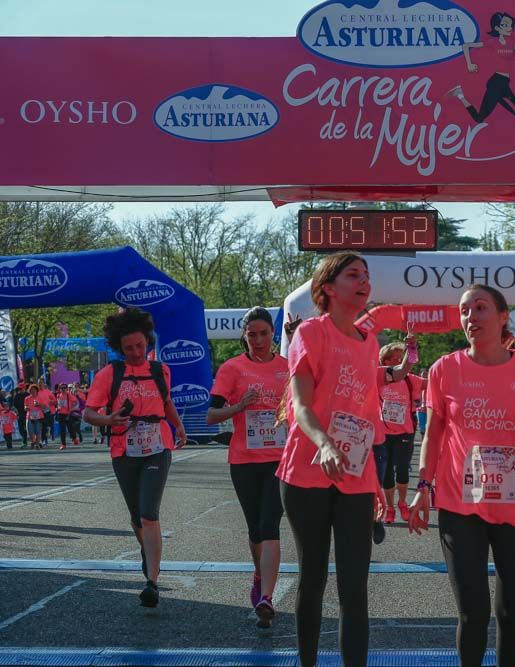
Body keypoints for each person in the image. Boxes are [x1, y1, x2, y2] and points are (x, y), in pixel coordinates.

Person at [408, 285, 515, 667]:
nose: (470, 317)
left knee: (511, 613)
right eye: (464, 310)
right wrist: (423, 486)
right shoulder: (445, 369)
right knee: (472, 614)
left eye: (480, 308)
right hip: (461, 507)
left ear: (502, 316)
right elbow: (434, 434)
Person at [278, 253, 408, 667]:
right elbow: (299, 404)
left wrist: (376, 483)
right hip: (306, 469)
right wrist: (324, 443)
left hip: (354, 474)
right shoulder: (311, 333)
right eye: (353, 274)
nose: (364, 281)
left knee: (355, 586)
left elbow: (367, 417)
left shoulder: (370, 342)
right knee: (313, 578)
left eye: (367, 275)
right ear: (328, 288)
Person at [84, 307, 187, 609]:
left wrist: (178, 426)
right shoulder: (109, 374)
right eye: (128, 348)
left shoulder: (160, 370)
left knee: (148, 512)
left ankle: (151, 582)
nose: (136, 352)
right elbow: (89, 412)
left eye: (140, 345)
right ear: (119, 348)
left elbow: (166, 402)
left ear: (148, 340)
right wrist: (109, 420)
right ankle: (148, 550)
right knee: (136, 516)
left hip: (157, 446)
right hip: (124, 450)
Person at [207, 307, 289, 628]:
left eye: (264, 333)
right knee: (255, 529)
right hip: (244, 460)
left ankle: (267, 596)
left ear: (273, 335)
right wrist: (241, 405)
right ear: (244, 336)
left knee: (270, 525)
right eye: (251, 334)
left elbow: (301, 409)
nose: (258, 340)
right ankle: (259, 575)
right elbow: (212, 416)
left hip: (280, 459)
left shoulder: (287, 368)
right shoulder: (232, 369)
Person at [446, 11, 515, 167]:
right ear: (497, 28)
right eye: (504, 25)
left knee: (480, 118)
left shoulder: (513, 43)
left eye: (510, 25)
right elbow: (466, 46)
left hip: (503, 84)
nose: (509, 28)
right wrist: (469, 64)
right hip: (496, 83)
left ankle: (460, 95)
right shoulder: (492, 42)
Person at [378, 343, 423, 524]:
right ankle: (390, 507)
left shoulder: (411, 379)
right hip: (383, 432)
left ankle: (402, 502)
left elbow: (434, 382)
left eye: (401, 358)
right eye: (395, 359)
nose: (399, 362)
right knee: (387, 472)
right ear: (385, 361)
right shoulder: (379, 377)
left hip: (405, 431)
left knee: (402, 469)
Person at [25, 385, 46, 449]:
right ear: (30, 391)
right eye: (31, 390)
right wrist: (26, 408)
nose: (33, 391)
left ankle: (37, 444)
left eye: (34, 390)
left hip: (38, 417)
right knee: (30, 432)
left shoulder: (40, 398)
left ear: (37, 391)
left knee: (38, 431)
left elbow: (44, 407)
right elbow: (25, 406)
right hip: (30, 417)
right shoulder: (27, 398)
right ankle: (33, 442)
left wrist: (38, 404)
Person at [13, 383, 28, 448]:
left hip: (28, 414)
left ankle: (35, 441)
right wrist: (16, 413)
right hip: (20, 414)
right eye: (19, 389)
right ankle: (24, 441)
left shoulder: (28, 395)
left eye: (21, 388)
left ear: (24, 388)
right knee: (21, 429)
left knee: (29, 429)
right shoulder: (17, 396)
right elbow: (14, 406)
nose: (20, 390)